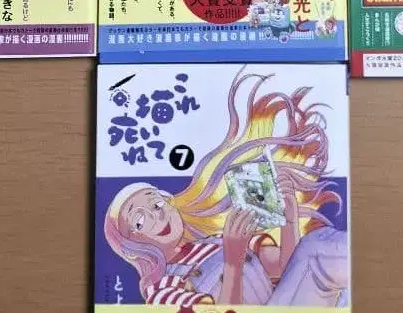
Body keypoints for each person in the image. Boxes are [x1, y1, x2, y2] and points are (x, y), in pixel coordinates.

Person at [104, 69, 349, 307]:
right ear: (132, 245)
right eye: (139, 221)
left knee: (335, 278)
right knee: (315, 249)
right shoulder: (160, 290)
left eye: (157, 203)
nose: (157, 215)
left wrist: (289, 220)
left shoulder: (218, 241)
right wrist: (233, 261)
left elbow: (289, 270)